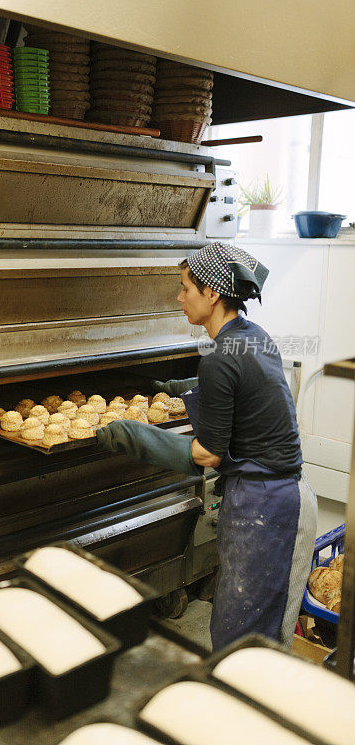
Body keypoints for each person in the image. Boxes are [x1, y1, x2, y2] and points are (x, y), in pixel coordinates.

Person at [97, 242, 317, 651]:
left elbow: (207, 454)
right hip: (278, 498)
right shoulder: (251, 337)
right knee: (243, 633)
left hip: (270, 510)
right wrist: (187, 390)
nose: (179, 298)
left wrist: (137, 437)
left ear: (212, 293)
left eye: (185, 288)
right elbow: (243, 390)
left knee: (246, 643)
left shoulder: (221, 357)